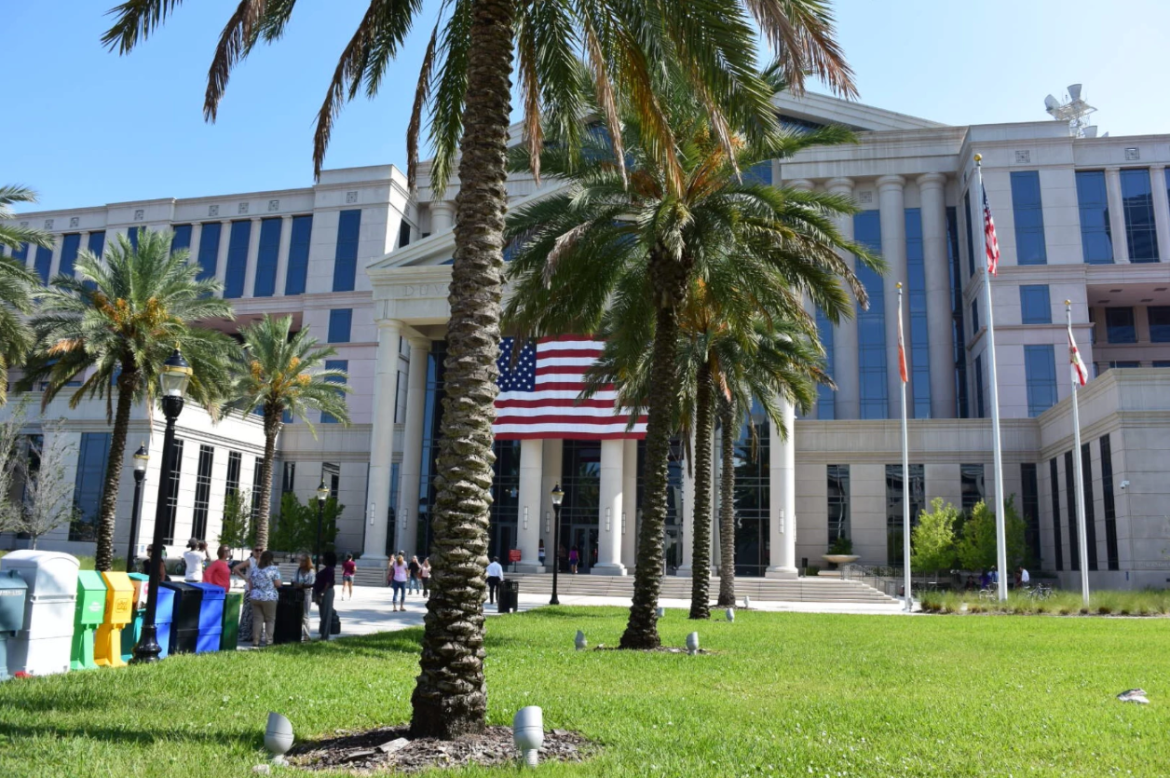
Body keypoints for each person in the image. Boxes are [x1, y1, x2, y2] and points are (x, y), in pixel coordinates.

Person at [248, 550, 281, 647]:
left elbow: (250, 583)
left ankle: (256, 641)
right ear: (271, 559)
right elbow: (278, 584)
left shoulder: (255, 569)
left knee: (257, 619)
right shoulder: (273, 569)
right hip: (269, 597)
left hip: (255, 596)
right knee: (270, 619)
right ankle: (268, 641)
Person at [233, 546, 263, 641]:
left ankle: (255, 635)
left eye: (260, 550)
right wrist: (245, 578)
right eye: (256, 550)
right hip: (250, 590)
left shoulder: (264, 562)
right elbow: (236, 568)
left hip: (260, 591)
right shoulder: (250, 561)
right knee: (247, 612)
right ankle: (244, 634)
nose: (258, 552)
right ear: (253, 551)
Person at [292, 554, 316, 642]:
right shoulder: (298, 570)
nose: (301, 562)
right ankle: (297, 634)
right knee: (298, 614)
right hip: (298, 593)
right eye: (300, 560)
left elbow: (312, 583)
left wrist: (302, 585)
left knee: (305, 615)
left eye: (303, 560)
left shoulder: (311, 571)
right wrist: (296, 584)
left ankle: (307, 635)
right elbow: (293, 580)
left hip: (307, 594)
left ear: (307, 562)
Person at [313, 551, 337, 640]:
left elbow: (328, 582)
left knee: (326, 614)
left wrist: (321, 593)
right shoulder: (327, 569)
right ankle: (323, 633)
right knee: (323, 614)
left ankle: (325, 635)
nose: (322, 559)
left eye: (323, 557)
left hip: (326, 593)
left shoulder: (329, 569)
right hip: (322, 592)